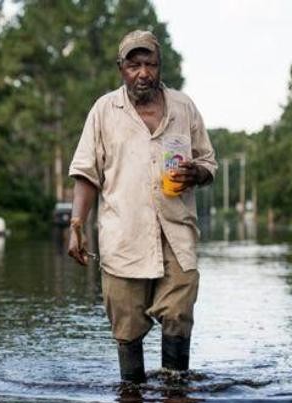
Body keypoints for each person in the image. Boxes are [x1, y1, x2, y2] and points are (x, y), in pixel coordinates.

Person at [67, 30, 217, 384]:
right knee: (127, 324)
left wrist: (198, 172)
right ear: (121, 68)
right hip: (124, 236)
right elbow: (87, 174)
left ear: (159, 66)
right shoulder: (104, 111)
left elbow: (209, 162)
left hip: (176, 232)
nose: (143, 72)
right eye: (134, 65)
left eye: (149, 63)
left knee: (179, 313)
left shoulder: (184, 107)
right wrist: (76, 224)